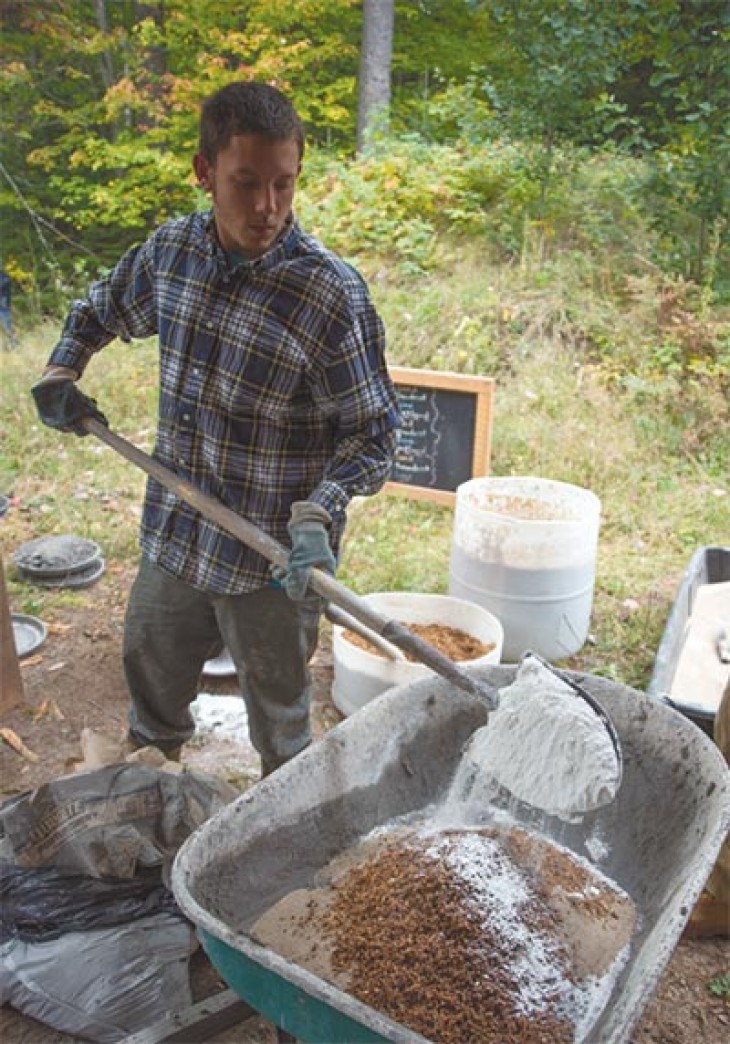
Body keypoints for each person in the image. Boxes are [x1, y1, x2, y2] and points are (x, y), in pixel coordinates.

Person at [31, 81, 400, 776]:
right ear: (205, 171)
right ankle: (153, 797)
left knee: (281, 732)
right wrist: (62, 370)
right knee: (150, 690)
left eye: (285, 185)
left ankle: (279, 835)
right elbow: (99, 309)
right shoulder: (172, 255)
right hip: (177, 533)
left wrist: (320, 513)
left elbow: (373, 435)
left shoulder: (327, 295)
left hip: (271, 562)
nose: (267, 208)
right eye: (246, 183)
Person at [0, 267, 18, 350]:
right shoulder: (5, 276)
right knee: (7, 324)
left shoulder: (4, 276)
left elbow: (4, 284)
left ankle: (14, 345)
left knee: (7, 325)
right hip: (4, 304)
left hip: (3, 304)